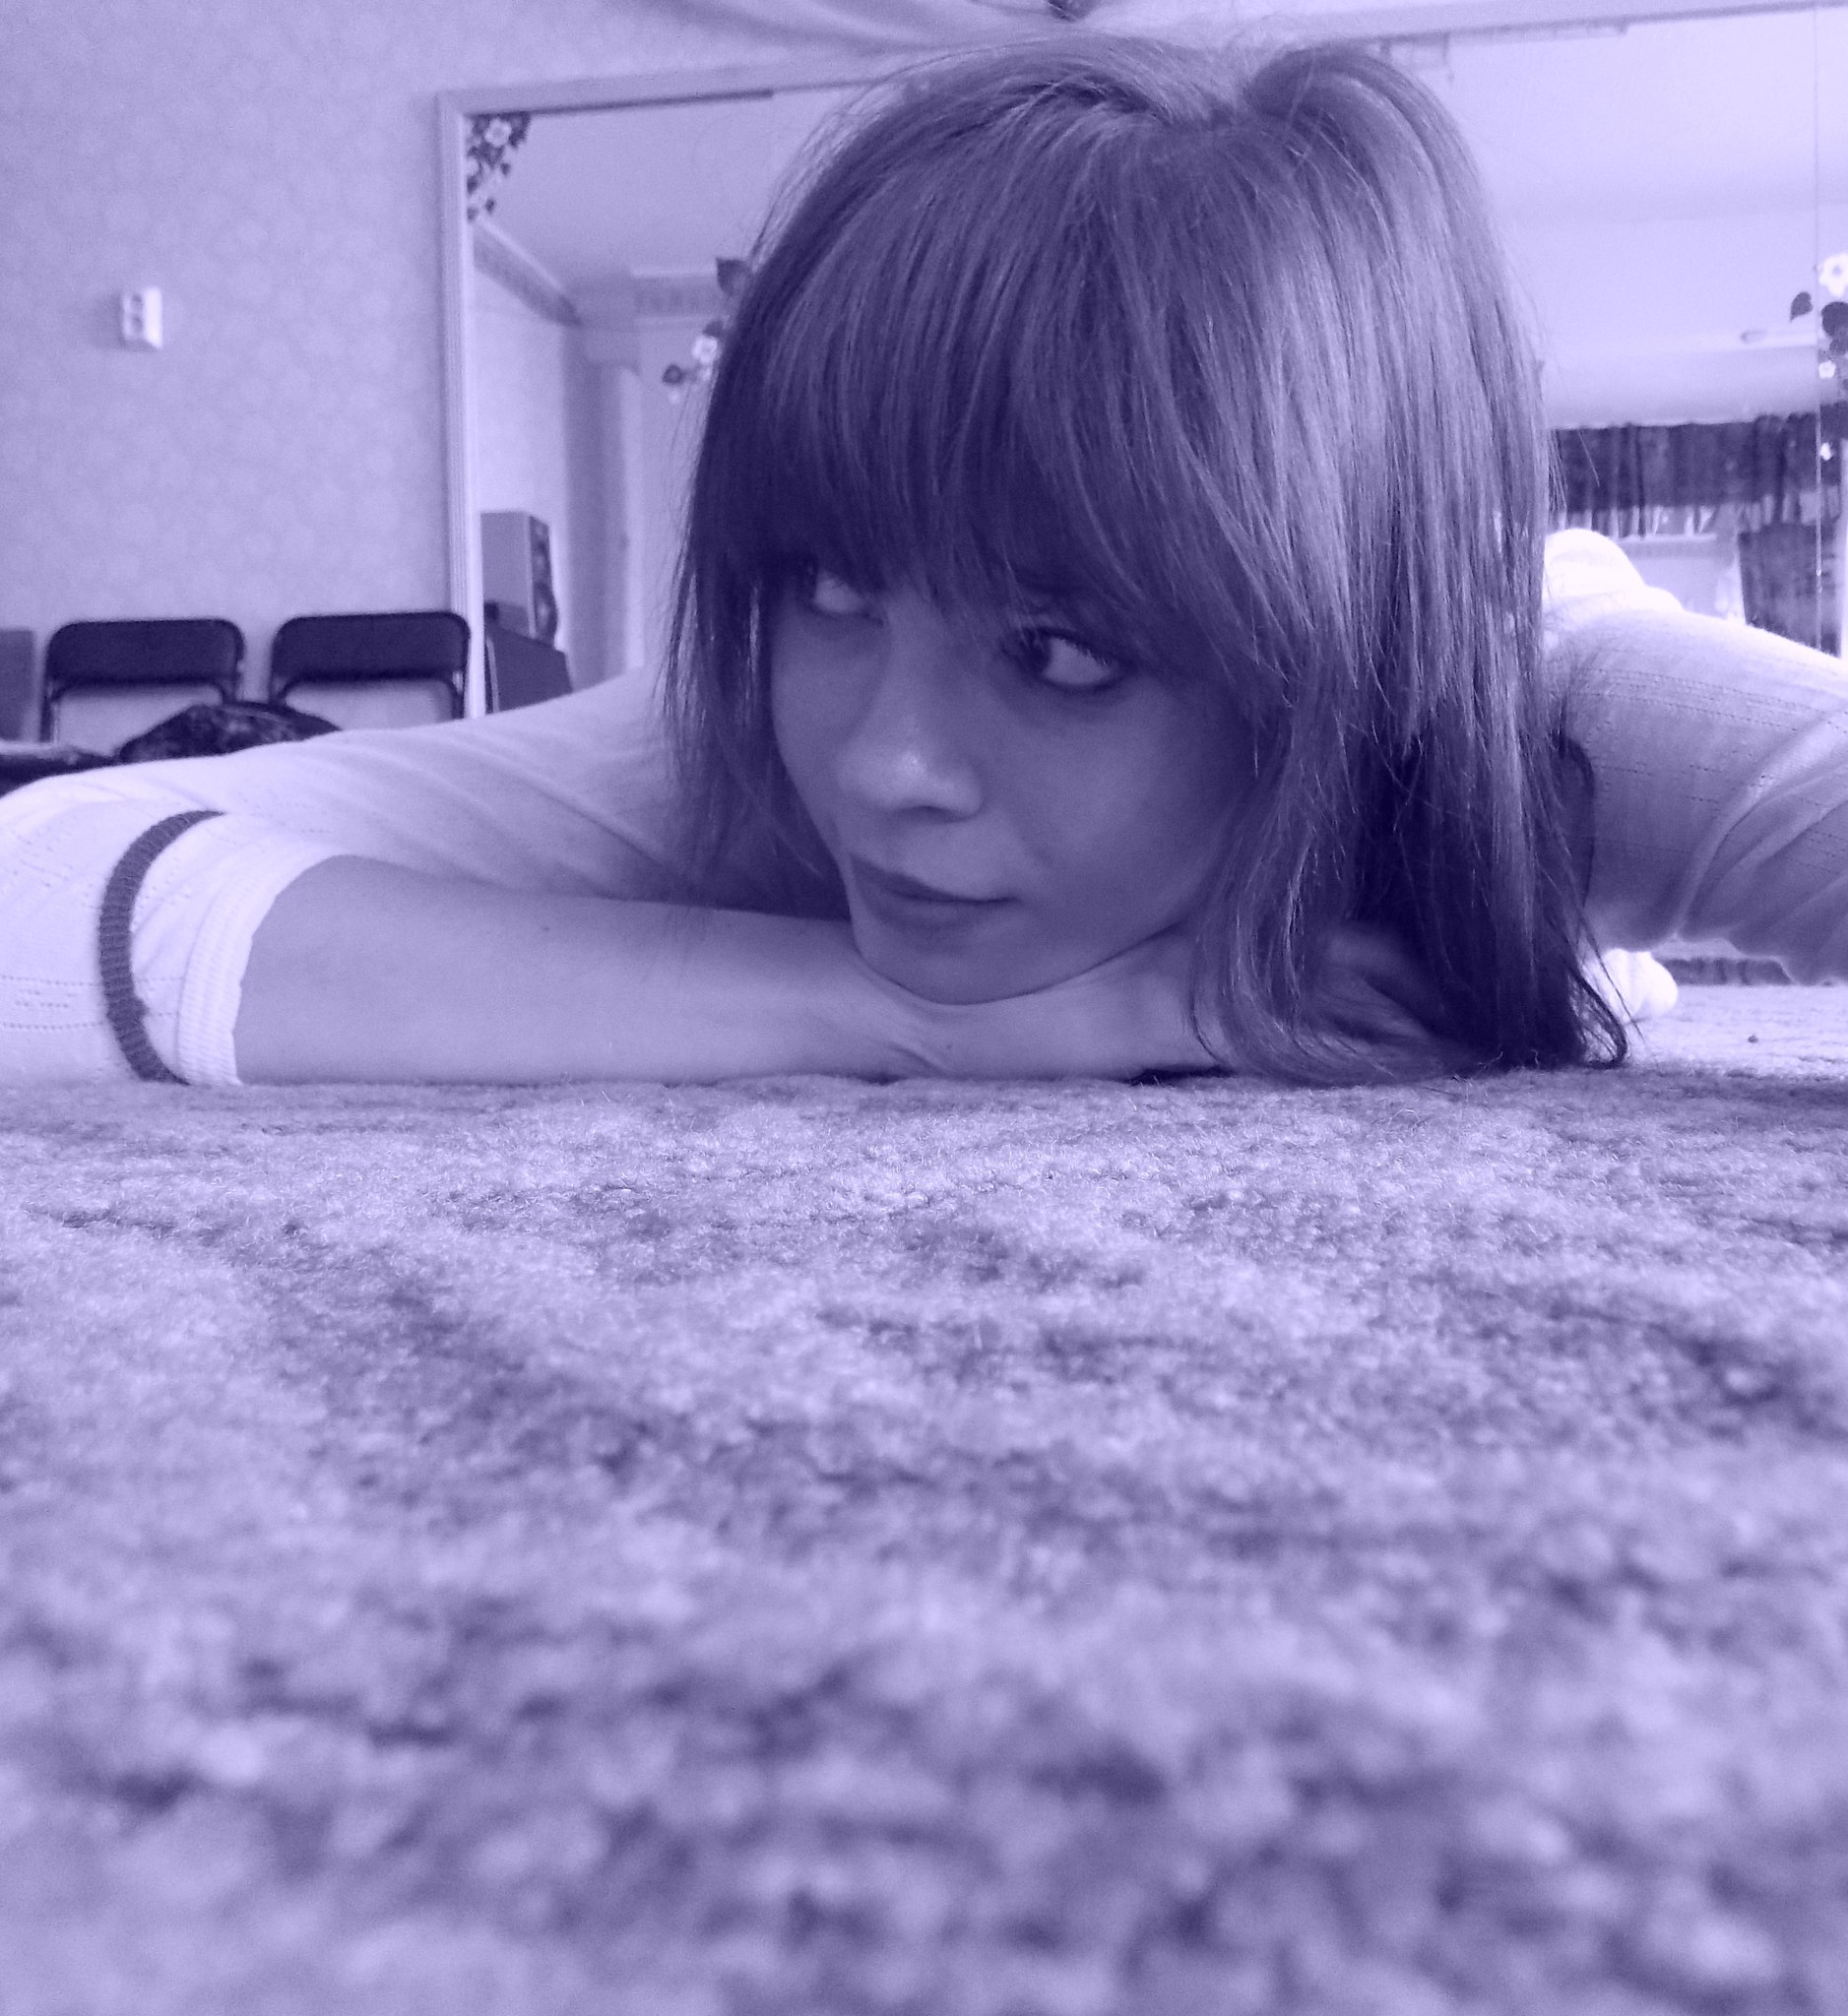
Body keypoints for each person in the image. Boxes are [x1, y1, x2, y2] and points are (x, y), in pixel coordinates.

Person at [1, 35, 1843, 1090]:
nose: (884, 763)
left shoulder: (1531, 695)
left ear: (1340, 656)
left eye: (1060, 651)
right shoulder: (744, 745)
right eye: (827, 585)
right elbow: (38, 886)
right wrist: (883, 1009)